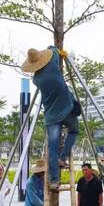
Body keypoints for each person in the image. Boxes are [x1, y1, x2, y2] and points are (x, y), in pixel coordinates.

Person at [22, 46, 79, 191]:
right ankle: (63, 156)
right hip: (67, 109)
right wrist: (51, 48)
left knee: (52, 147)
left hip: (52, 115)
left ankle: (54, 181)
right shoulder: (53, 66)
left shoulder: (36, 80)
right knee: (74, 131)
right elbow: (54, 51)